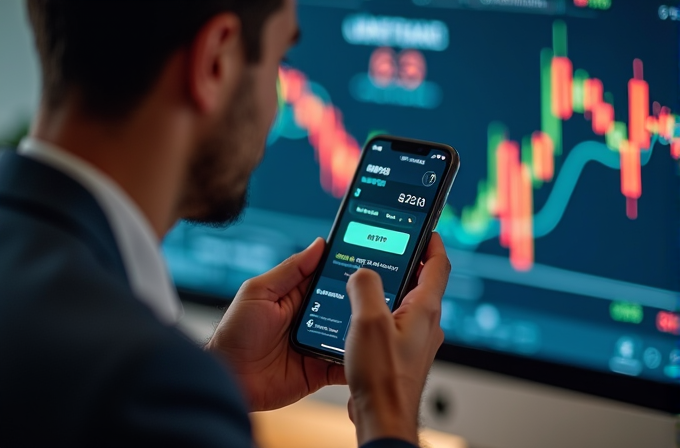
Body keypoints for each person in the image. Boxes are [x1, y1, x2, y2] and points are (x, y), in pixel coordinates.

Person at [0, 0, 451, 446]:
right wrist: (386, 410)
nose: (277, 109)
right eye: (280, 63)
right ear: (215, 62)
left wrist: (219, 376)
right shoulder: (138, 383)